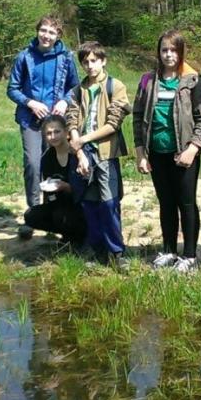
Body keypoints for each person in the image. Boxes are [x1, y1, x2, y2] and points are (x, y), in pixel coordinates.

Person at [133, 29, 201, 273]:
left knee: (186, 203)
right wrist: (140, 153)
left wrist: (193, 149)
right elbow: (137, 117)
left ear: (181, 52)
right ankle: (168, 250)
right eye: (164, 50)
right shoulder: (147, 80)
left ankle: (189, 255)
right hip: (157, 152)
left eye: (173, 50)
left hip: (184, 153)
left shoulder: (193, 80)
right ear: (159, 52)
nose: (168, 55)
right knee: (166, 203)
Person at [8, 16, 80, 239]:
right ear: (37, 31)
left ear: (58, 35)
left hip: (57, 122)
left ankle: (55, 212)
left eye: (51, 32)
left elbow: (75, 86)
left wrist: (64, 101)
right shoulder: (24, 57)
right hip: (31, 121)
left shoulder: (66, 58)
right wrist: (29, 102)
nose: (46, 35)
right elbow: (12, 88)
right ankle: (33, 210)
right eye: (43, 30)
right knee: (33, 163)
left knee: (56, 165)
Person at [66, 41, 130, 263]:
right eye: (85, 62)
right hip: (83, 153)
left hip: (106, 153)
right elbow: (71, 119)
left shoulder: (116, 86)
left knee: (109, 202)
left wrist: (84, 139)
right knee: (90, 203)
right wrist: (79, 150)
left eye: (94, 61)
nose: (90, 65)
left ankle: (117, 251)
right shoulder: (76, 90)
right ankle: (96, 248)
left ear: (103, 61)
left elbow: (113, 123)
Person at [21, 115, 88, 247]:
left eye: (57, 132)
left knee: (61, 215)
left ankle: (79, 237)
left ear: (66, 132)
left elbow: (85, 188)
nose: (53, 136)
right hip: (59, 202)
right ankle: (67, 235)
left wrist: (66, 187)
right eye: (49, 133)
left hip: (81, 205)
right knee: (31, 215)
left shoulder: (77, 154)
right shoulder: (47, 157)